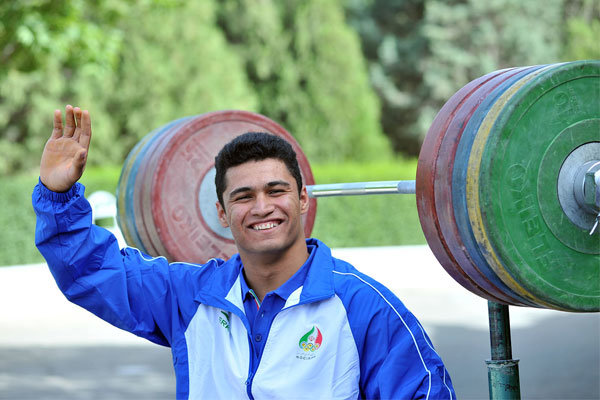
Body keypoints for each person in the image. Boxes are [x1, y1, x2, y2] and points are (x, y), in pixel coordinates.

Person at [33, 105, 456, 399]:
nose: (261, 207)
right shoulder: (190, 297)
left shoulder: (366, 308)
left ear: (304, 199)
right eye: (243, 196)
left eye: (276, 190)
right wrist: (58, 193)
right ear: (221, 212)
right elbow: (91, 272)